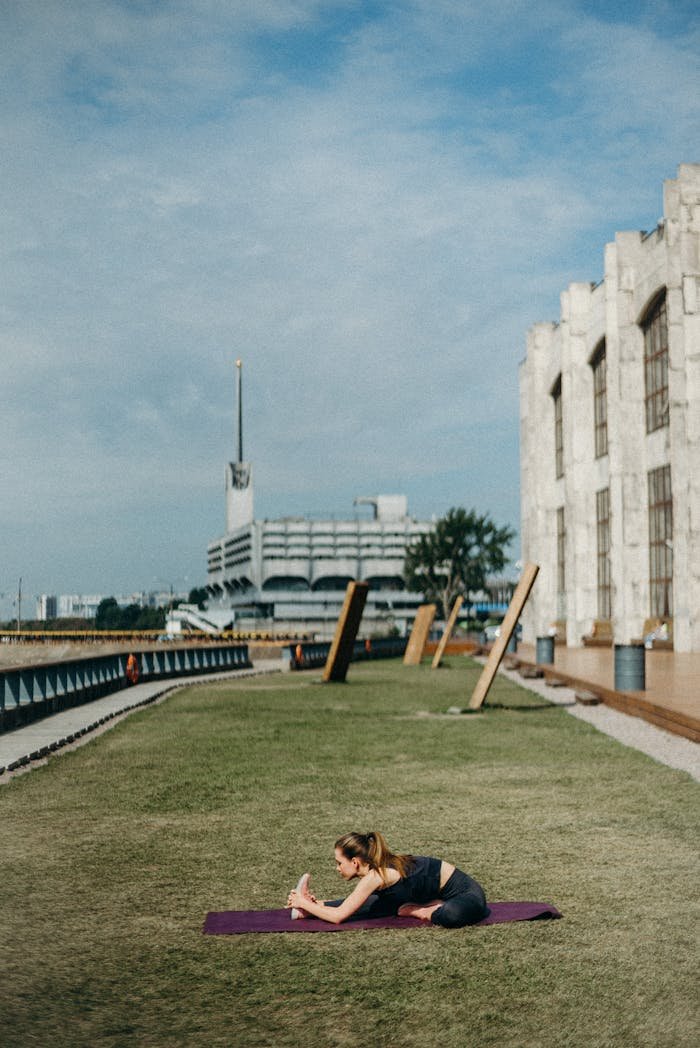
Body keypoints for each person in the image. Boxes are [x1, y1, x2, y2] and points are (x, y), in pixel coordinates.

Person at [285, 830, 489, 928]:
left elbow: (339, 916)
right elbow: (353, 903)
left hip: (465, 894)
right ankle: (305, 912)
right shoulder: (374, 870)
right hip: (424, 894)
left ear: (355, 862)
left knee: (452, 915)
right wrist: (312, 905)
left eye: (339, 863)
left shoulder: (375, 876)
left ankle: (423, 909)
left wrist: (302, 901)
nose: (337, 868)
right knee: (376, 905)